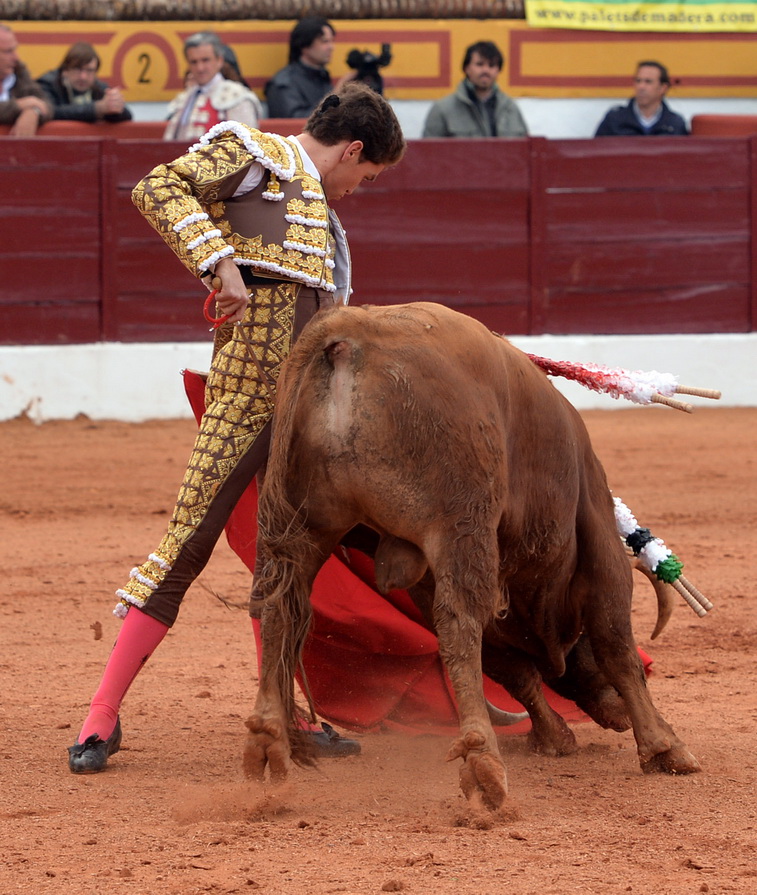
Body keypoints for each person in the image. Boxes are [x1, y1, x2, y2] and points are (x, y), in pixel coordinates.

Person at [67, 81, 406, 774]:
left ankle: (282, 710)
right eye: (364, 176)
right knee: (182, 547)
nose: (356, 190)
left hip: (315, 413)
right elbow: (158, 186)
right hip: (247, 396)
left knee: (291, 556)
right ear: (350, 150)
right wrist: (219, 262)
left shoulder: (330, 230)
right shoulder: (253, 153)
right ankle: (101, 715)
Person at [164, 31, 262, 142]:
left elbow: (245, 145)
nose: (200, 68)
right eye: (194, 62)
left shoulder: (237, 96)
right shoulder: (185, 98)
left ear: (219, 61)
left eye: (205, 60)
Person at [422, 40, 527, 138]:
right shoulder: (442, 109)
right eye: (479, 64)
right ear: (466, 68)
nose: (486, 70)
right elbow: (427, 153)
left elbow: (526, 150)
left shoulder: (510, 109)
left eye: (492, 65)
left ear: (498, 70)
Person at [36, 42, 132, 124]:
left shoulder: (99, 88)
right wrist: (96, 109)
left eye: (89, 71)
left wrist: (115, 104)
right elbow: (51, 112)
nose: (83, 77)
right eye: (78, 69)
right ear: (65, 70)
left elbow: (127, 116)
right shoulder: (47, 84)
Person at [264, 16, 339, 119]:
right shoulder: (283, 83)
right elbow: (292, 122)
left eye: (331, 41)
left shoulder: (321, 76)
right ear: (304, 45)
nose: (331, 47)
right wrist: (335, 96)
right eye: (324, 41)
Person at [595, 61, 689, 137]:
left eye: (648, 82)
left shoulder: (675, 123)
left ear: (663, 88)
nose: (641, 87)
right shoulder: (614, 119)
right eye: (638, 81)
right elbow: (597, 152)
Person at [0, 23, 52, 136]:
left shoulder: (18, 73)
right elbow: (32, 101)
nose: (16, 57)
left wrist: (33, 111)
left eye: (15, 49)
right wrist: (19, 106)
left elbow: (46, 104)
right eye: (8, 51)